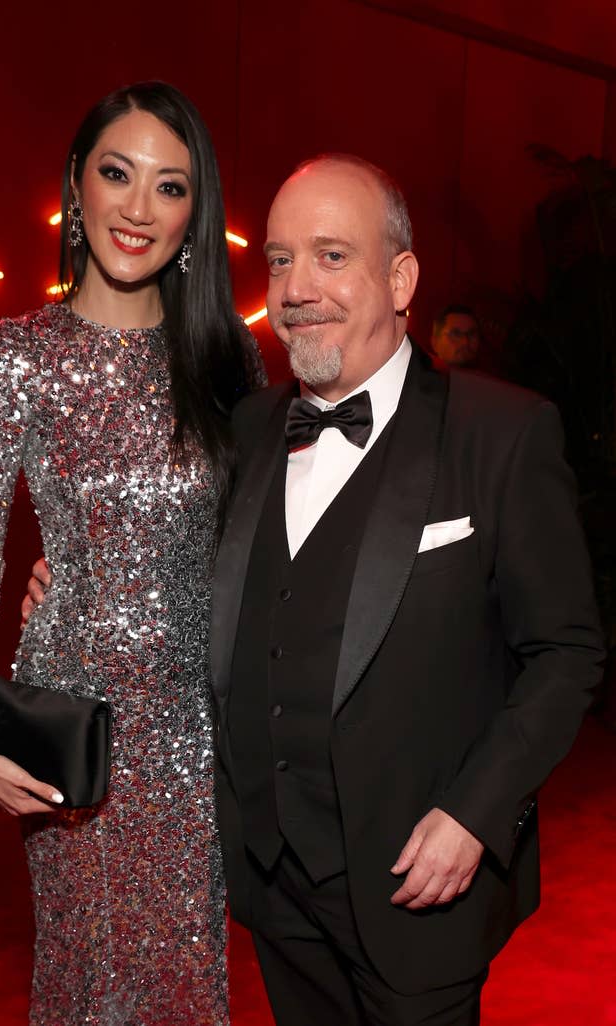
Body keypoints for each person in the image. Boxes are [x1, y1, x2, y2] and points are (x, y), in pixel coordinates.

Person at [208, 154, 604, 1025]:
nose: (295, 287)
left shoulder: (502, 434)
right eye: (278, 260)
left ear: (401, 277)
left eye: (330, 255)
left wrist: (477, 813)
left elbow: (566, 653)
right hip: (274, 886)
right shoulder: (250, 428)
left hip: (418, 890)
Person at [0, 81, 263, 1026]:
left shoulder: (225, 360)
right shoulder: (14, 354)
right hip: (78, 723)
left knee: (187, 984)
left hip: (199, 727)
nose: (138, 207)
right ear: (75, 188)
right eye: (117, 174)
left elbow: (257, 540)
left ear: (196, 215)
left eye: (171, 187)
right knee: (95, 987)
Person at [430, 303, 481, 368]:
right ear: (435, 342)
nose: (465, 342)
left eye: (471, 334)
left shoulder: (488, 377)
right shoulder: (418, 376)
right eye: (456, 334)